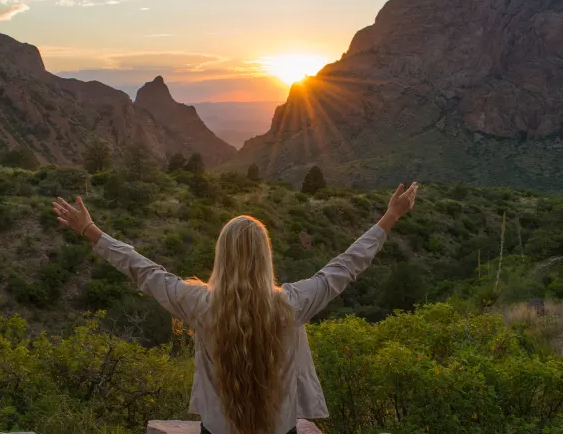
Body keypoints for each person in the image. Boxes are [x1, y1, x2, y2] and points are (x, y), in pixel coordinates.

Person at [52, 182, 418, 434]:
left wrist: (90, 231)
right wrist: (390, 218)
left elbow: (144, 271)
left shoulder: (199, 304)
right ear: (266, 257)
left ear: (220, 255)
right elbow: (345, 266)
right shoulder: (291, 304)